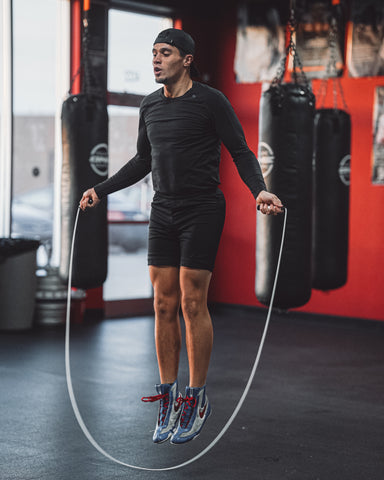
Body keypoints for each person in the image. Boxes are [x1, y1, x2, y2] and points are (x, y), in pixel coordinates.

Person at [80, 28, 283, 445]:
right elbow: (142, 160)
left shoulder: (211, 101)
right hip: (163, 209)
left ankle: (196, 396)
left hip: (203, 209)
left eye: (165, 53)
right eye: (153, 52)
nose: (156, 59)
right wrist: (100, 190)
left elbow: (240, 151)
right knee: (162, 301)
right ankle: (168, 395)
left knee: (192, 301)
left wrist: (258, 188)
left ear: (186, 59)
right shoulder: (150, 105)